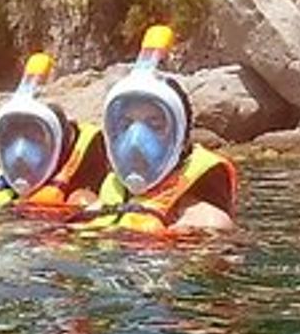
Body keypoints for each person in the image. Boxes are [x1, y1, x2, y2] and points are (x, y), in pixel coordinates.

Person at [81, 25, 237, 232]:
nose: (135, 141)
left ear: (182, 140)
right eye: (126, 125)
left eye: (155, 125)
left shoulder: (206, 224)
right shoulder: (90, 214)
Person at [0, 52, 108, 211]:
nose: (20, 152)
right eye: (12, 137)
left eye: (34, 136)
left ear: (60, 144)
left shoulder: (79, 200)